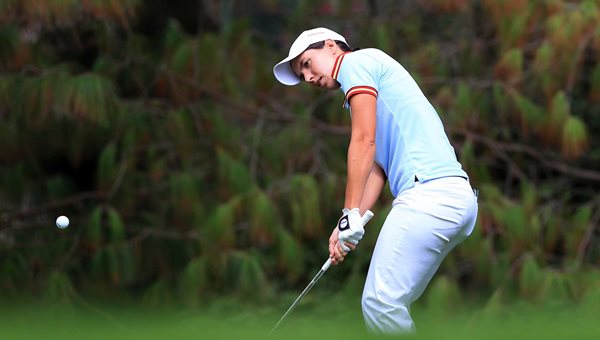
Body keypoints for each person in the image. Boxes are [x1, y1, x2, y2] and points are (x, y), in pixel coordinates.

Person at [272, 27, 478, 334]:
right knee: (389, 304)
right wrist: (347, 225)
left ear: (330, 46)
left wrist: (348, 213)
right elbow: (378, 169)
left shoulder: (356, 63)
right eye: (302, 77)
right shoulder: (368, 81)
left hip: (431, 195)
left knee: (380, 303)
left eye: (306, 64)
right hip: (454, 199)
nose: (308, 78)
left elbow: (363, 140)